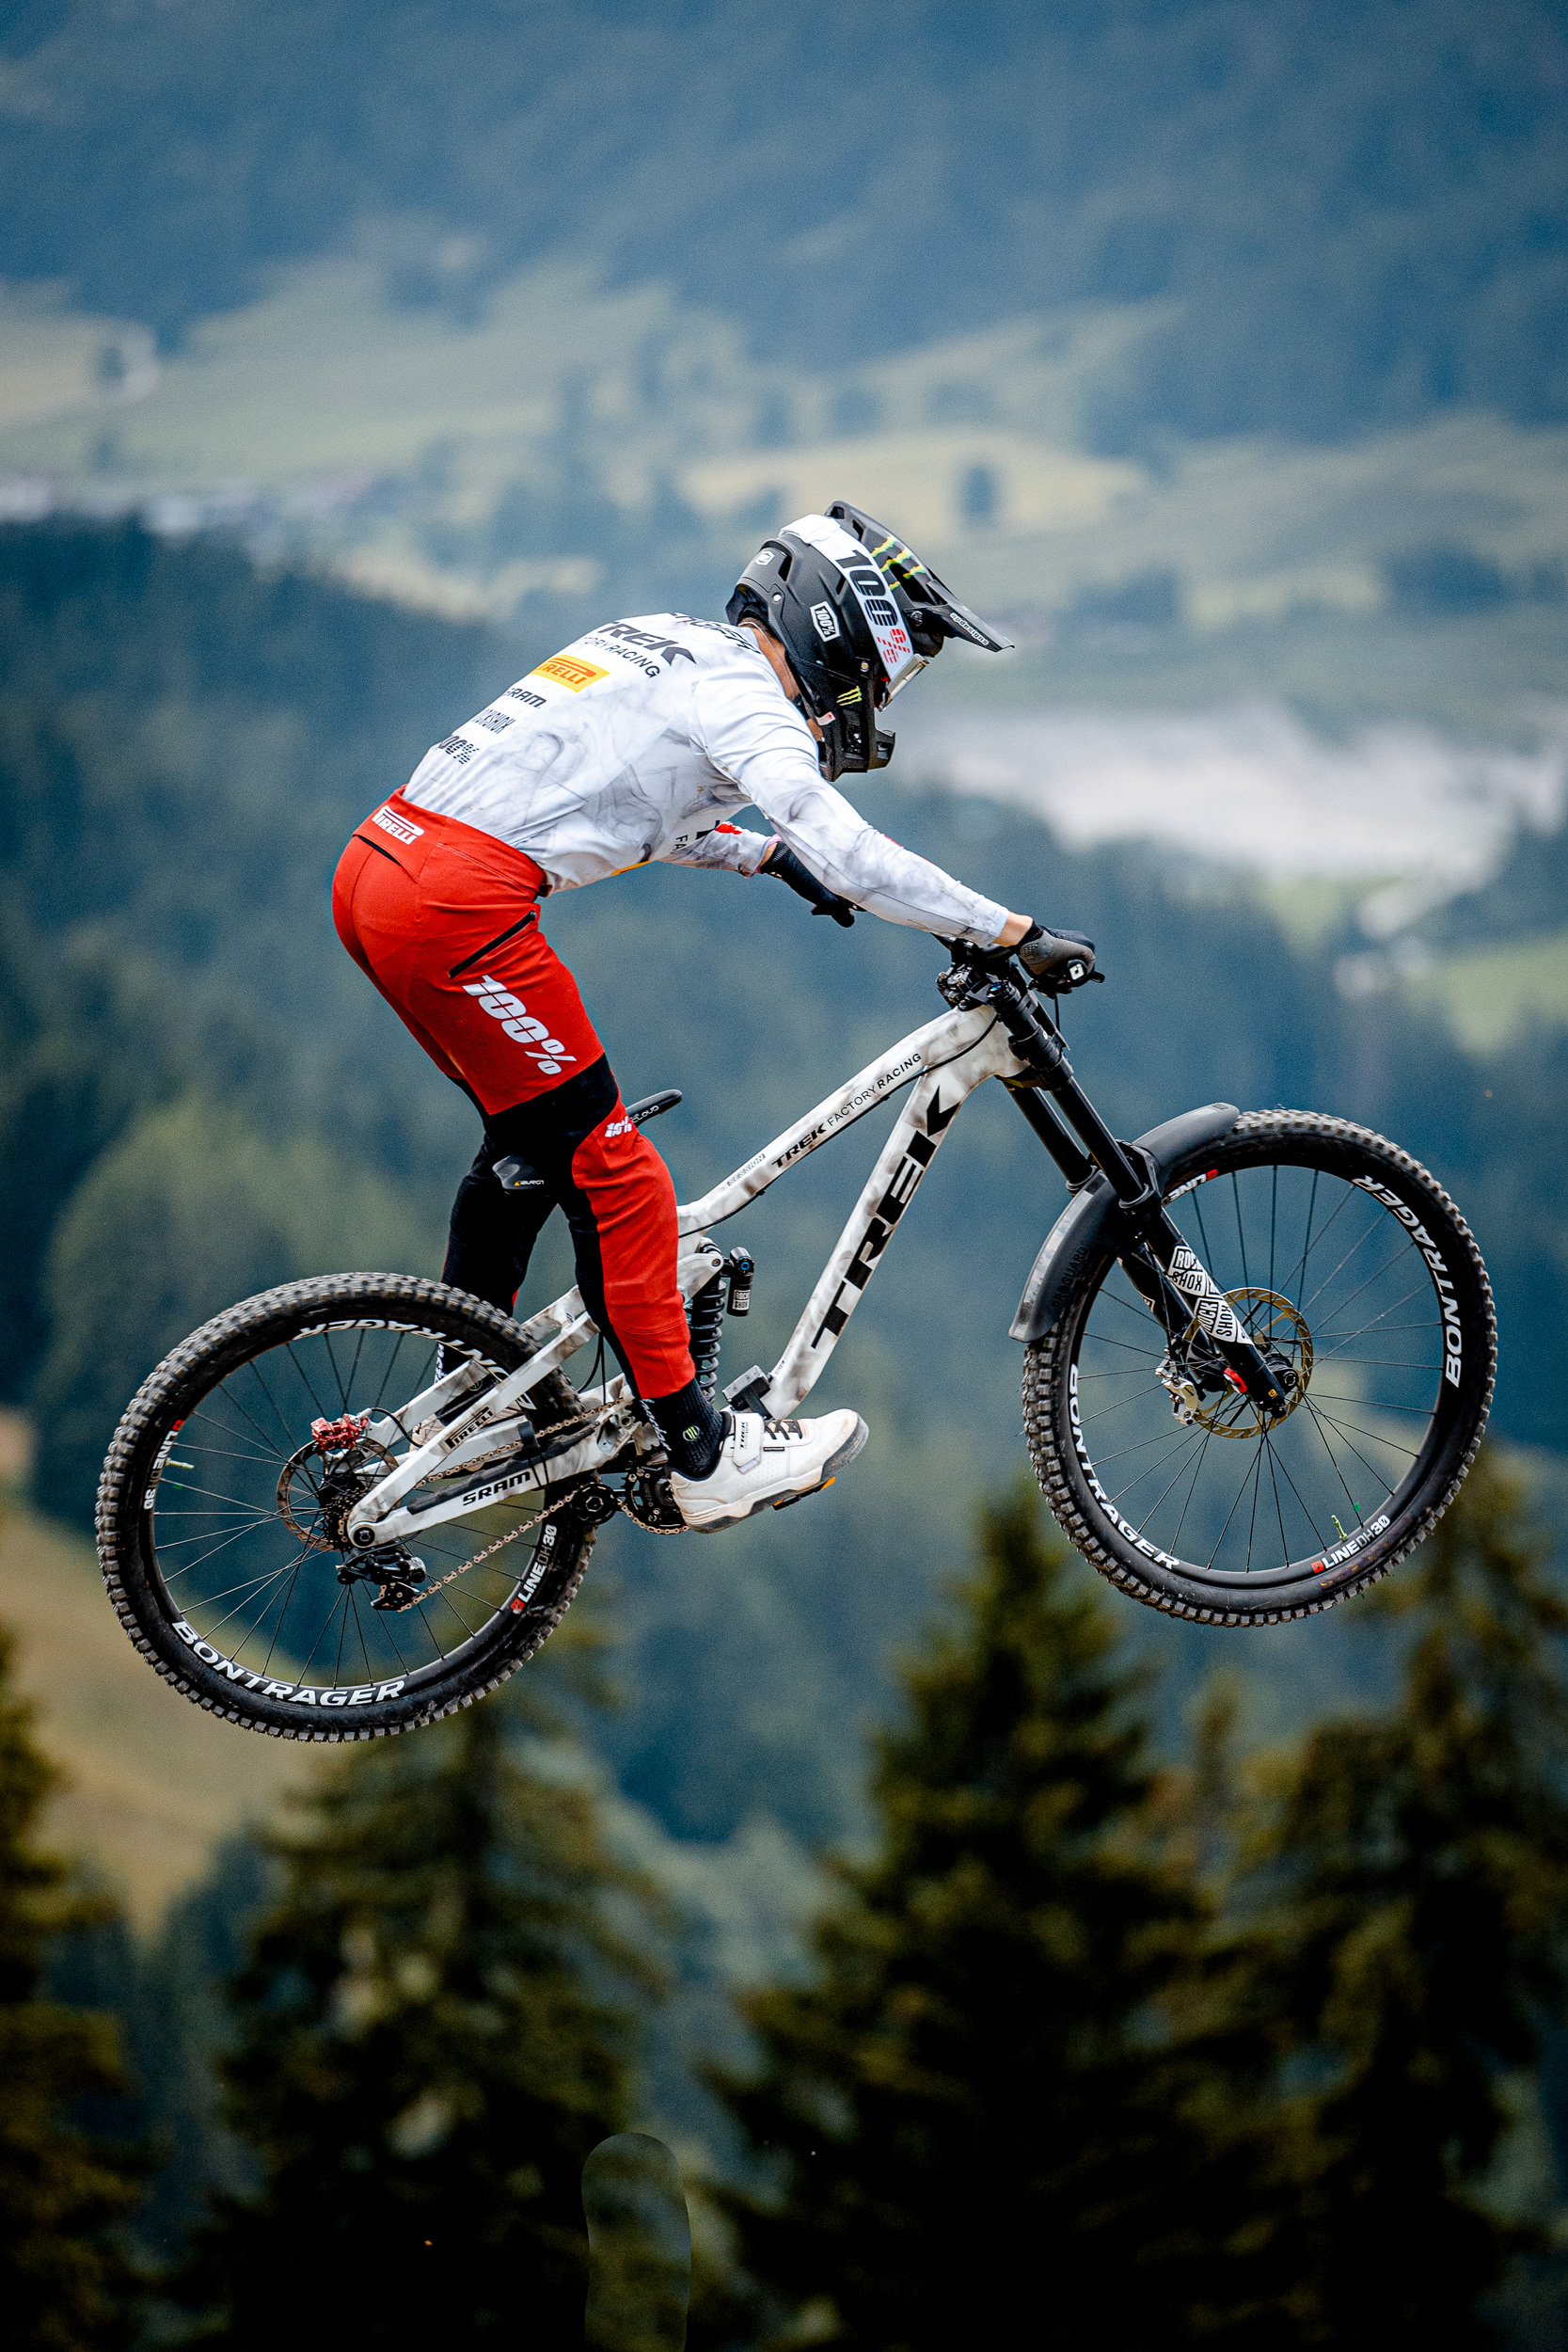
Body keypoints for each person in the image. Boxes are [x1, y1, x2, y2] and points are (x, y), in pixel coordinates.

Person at [332, 501, 1093, 1532]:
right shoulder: (752, 704)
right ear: (839, 630)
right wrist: (1010, 930)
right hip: (455, 906)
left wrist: (763, 855)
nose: (880, 695)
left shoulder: (661, 639)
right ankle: (701, 1452)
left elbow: (620, 803)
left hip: (381, 866)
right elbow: (852, 853)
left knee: (530, 1146)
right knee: (619, 1176)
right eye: (890, 668)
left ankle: (466, 1389)